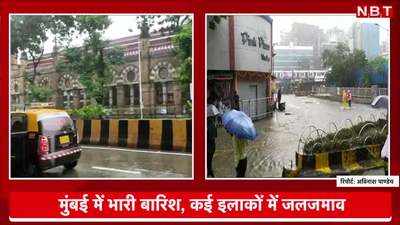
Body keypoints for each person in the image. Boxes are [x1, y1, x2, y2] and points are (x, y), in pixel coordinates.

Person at [207, 96, 219, 177]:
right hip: (210, 145)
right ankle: (210, 170)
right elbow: (213, 137)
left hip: (208, 143)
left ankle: (209, 169)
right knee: (209, 156)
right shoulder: (211, 125)